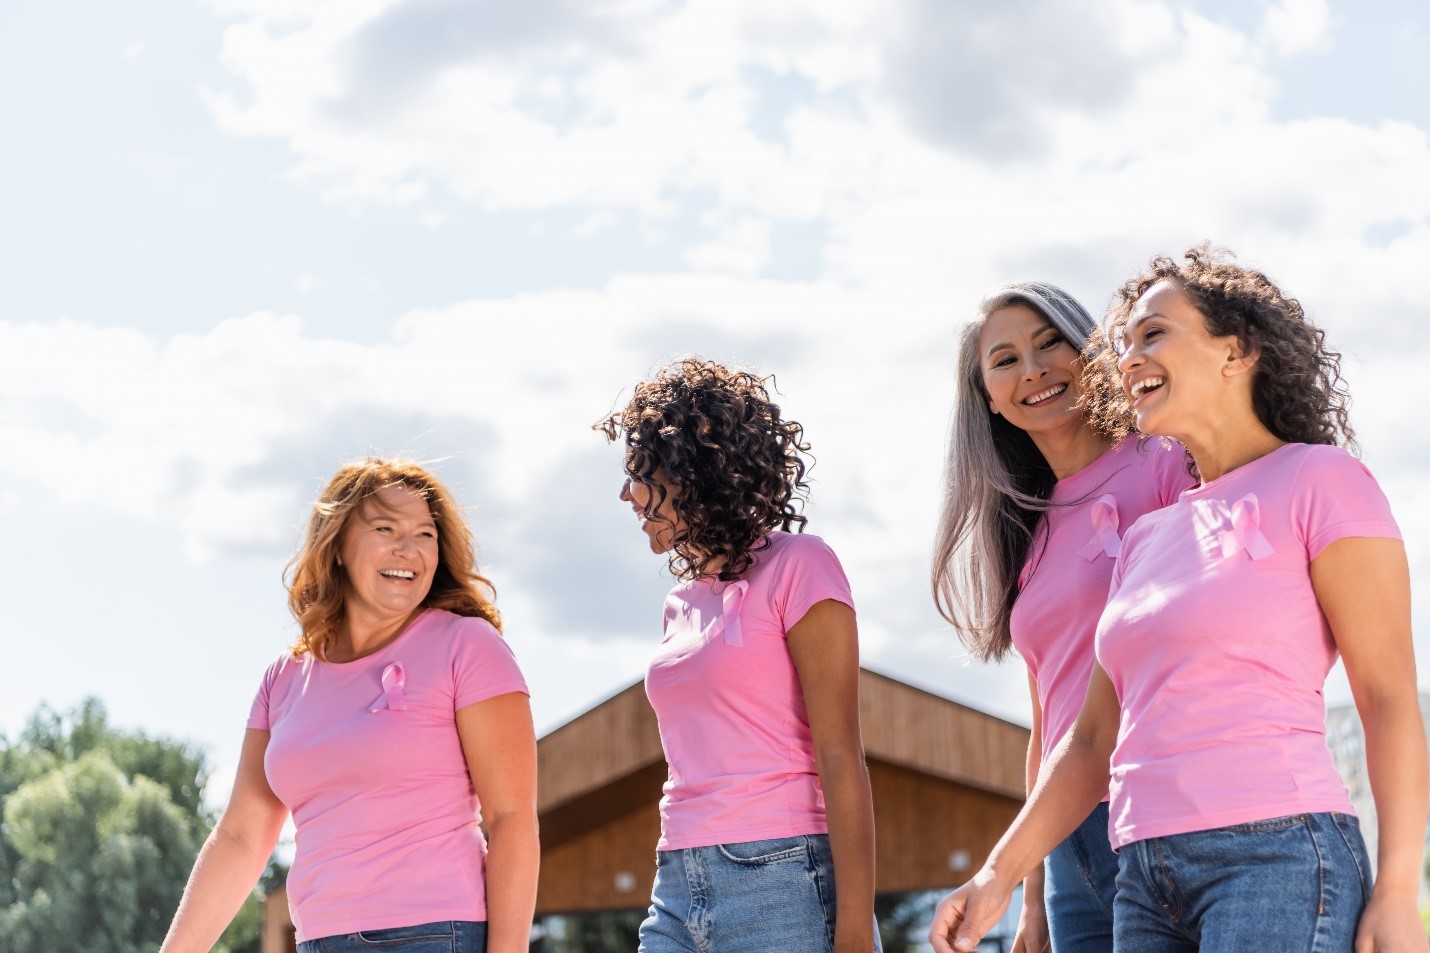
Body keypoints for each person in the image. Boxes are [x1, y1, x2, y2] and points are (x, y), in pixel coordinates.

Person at [930, 246, 1429, 953]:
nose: (1127, 356)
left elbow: (1387, 699)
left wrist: (1398, 891)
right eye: (1125, 341)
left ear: (1237, 349)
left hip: (1275, 854)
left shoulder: (1323, 479)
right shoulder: (1148, 536)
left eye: (1153, 333)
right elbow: (1091, 738)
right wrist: (997, 876)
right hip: (1143, 869)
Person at [161, 458, 538, 953]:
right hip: (318, 939)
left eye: (425, 534)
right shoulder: (285, 679)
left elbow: (512, 818)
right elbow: (240, 837)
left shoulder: (467, 646)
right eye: (385, 528)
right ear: (336, 546)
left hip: (433, 935)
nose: (409, 550)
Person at [931, 282, 1192, 952]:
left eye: (1051, 343)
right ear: (987, 395)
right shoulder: (1028, 533)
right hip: (1068, 843)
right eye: (1006, 359)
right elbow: (1047, 722)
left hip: (1159, 811)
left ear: (1090, 348)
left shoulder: (1163, 464)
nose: (1034, 370)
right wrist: (1032, 899)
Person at [600, 358, 880, 953]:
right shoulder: (679, 603)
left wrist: (855, 926)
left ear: (689, 468)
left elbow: (840, 754)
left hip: (783, 876)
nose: (626, 494)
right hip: (677, 878)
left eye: (638, 473)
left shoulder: (801, 565)